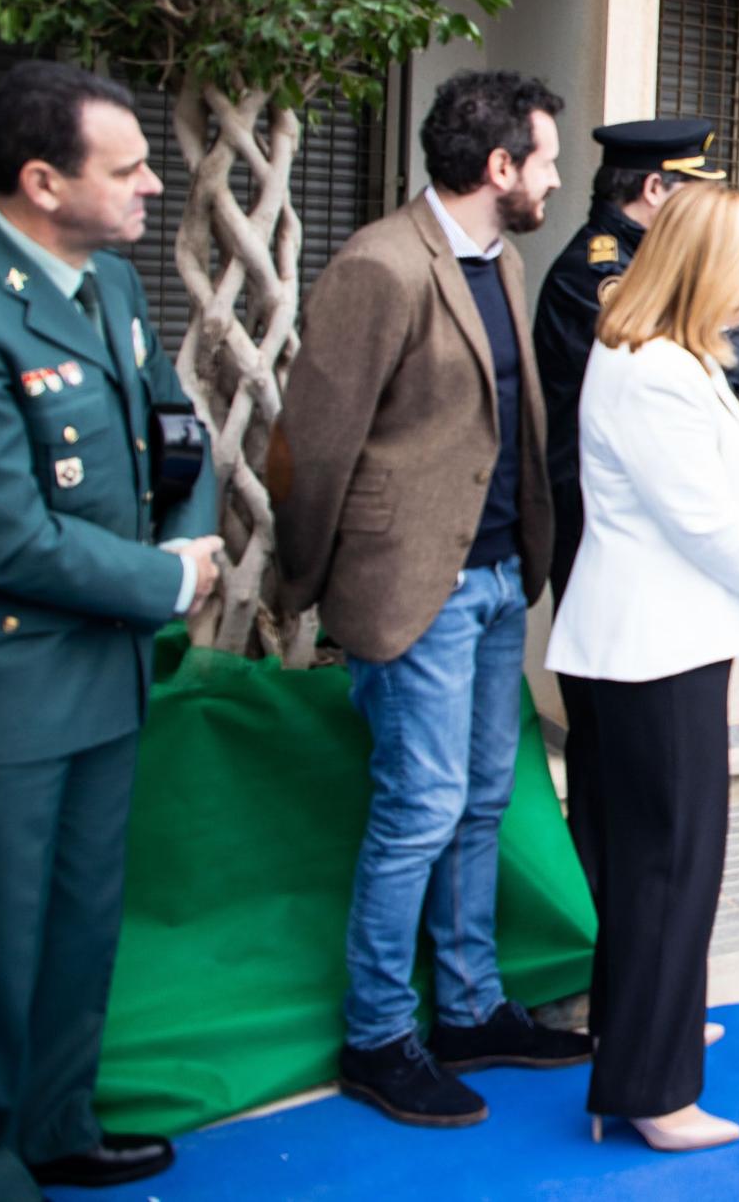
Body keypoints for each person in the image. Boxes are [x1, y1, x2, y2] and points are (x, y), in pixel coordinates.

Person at [268, 70, 586, 1129]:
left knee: (482, 801)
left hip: (499, 578)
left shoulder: (502, 258)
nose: (554, 177)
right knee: (419, 809)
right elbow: (313, 446)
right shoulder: (380, 265)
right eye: (543, 159)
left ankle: (468, 1008)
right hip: (417, 588)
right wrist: (299, 589)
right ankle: (376, 1036)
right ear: (499, 169)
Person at [0, 61, 220, 1199]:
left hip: (103, 673)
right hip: (3, 686)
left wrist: (188, 546)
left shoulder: (111, 286)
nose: (155, 184)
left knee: (80, 921)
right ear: (42, 181)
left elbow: (172, 434)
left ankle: (55, 1123)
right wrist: (159, 576)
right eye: (130, 167)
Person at [545, 183, 739, 1154]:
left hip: (655, 644)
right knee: (670, 864)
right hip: (659, 649)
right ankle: (651, 1086)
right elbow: (703, 521)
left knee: (646, 857)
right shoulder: (654, 368)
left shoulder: (657, 356)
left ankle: (641, 1026)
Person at [532, 117, 739, 889]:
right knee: (615, 754)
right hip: (604, 533)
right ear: (655, 189)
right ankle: (604, 926)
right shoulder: (595, 271)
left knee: (660, 778)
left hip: (656, 549)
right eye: (693, 193)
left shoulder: (645, 270)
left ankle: (625, 940)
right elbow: (729, 360)